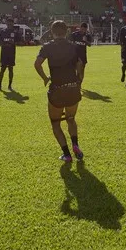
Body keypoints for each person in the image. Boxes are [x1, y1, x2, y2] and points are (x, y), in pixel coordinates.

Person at [34, 20, 84, 162]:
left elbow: (37, 64)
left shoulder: (48, 47)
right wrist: (79, 79)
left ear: (52, 32)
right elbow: (80, 63)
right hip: (73, 89)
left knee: (56, 123)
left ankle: (67, 154)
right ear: (66, 31)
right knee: (71, 119)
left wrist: (45, 78)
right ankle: (75, 144)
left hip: (57, 90)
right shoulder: (73, 46)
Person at [0, 18, 21, 91]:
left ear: (13, 24)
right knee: (2, 69)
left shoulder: (15, 32)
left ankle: (10, 86)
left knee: (11, 69)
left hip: (11, 53)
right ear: (6, 23)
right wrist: (5, 44)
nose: (9, 24)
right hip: (4, 53)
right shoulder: (3, 31)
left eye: (11, 23)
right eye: (8, 23)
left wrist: (13, 43)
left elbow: (20, 42)